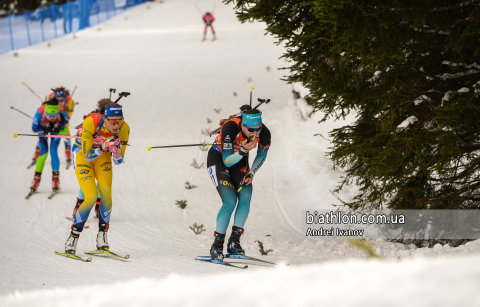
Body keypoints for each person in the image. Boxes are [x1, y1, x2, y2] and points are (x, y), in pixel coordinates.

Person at [64, 100, 130, 255]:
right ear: (104, 119)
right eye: (113, 122)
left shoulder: (124, 128)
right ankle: (73, 238)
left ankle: (102, 237)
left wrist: (116, 151)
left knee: (106, 192)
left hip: (102, 157)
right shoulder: (91, 122)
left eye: (119, 121)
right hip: (82, 154)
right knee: (92, 195)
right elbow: (87, 156)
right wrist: (102, 147)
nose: (117, 126)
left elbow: (119, 161)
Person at [207, 105, 271, 261]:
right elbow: (227, 161)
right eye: (251, 130)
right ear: (242, 125)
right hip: (220, 160)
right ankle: (217, 244)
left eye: (258, 129)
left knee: (246, 194)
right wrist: (243, 150)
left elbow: (262, 155)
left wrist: (252, 173)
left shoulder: (265, 133)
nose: (255, 133)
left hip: (240, 162)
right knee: (230, 201)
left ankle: (234, 243)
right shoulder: (230, 128)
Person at [29, 97, 70, 194]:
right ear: (45, 111)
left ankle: (55, 180)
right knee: (44, 153)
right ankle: (36, 179)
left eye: (54, 115)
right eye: (49, 115)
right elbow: (34, 128)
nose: (52, 117)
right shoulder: (40, 111)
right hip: (42, 132)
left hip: (55, 133)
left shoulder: (62, 112)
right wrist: (44, 128)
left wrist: (58, 129)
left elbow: (65, 130)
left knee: (53, 151)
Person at [30, 87, 76, 169]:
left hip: (60, 117)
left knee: (66, 135)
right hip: (50, 117)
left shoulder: (70, 101)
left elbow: (68, 117)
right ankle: (37, 153)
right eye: (57, 100)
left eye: (62, 100)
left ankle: (68, 156)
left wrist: (62, 122)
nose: (59, 102)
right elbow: (44, 107)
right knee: (42, 135)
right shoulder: (50, 97)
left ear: (64, 98)